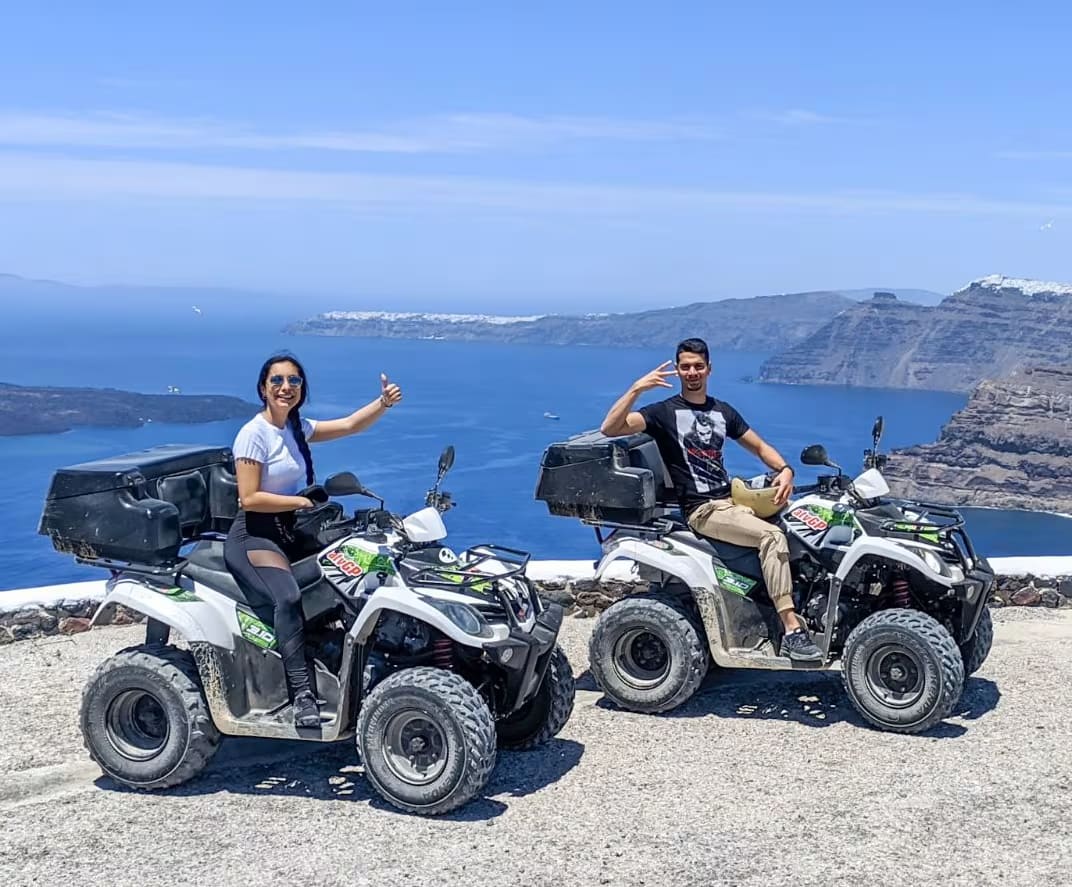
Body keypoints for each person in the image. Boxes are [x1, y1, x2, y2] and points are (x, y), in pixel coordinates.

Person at [600, 337, 822, 661]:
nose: (692, 372)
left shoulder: (722, 412)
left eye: (698, 366)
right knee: (772, 537)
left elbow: (759, 447)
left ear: (709, 369)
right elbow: (610, 428)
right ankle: (791, 629)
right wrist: (637, 388)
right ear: (677, 370)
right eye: (686, 367)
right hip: (703, 509)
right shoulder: (664, 413)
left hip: (732, 500)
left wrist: (785, 469)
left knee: (803, 526)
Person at [224, 352, 403, 726]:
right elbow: (249, 498)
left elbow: (351, 425)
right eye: (277, 381)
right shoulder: (253, 435)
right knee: (288, 597)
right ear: (263, 388)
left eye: (294, 381)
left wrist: (383, 403)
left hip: (293, 529)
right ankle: (302, 696)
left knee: (354, 572)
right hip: (256, 534)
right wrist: (300, 501)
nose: (286, 387)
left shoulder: (295, 427)